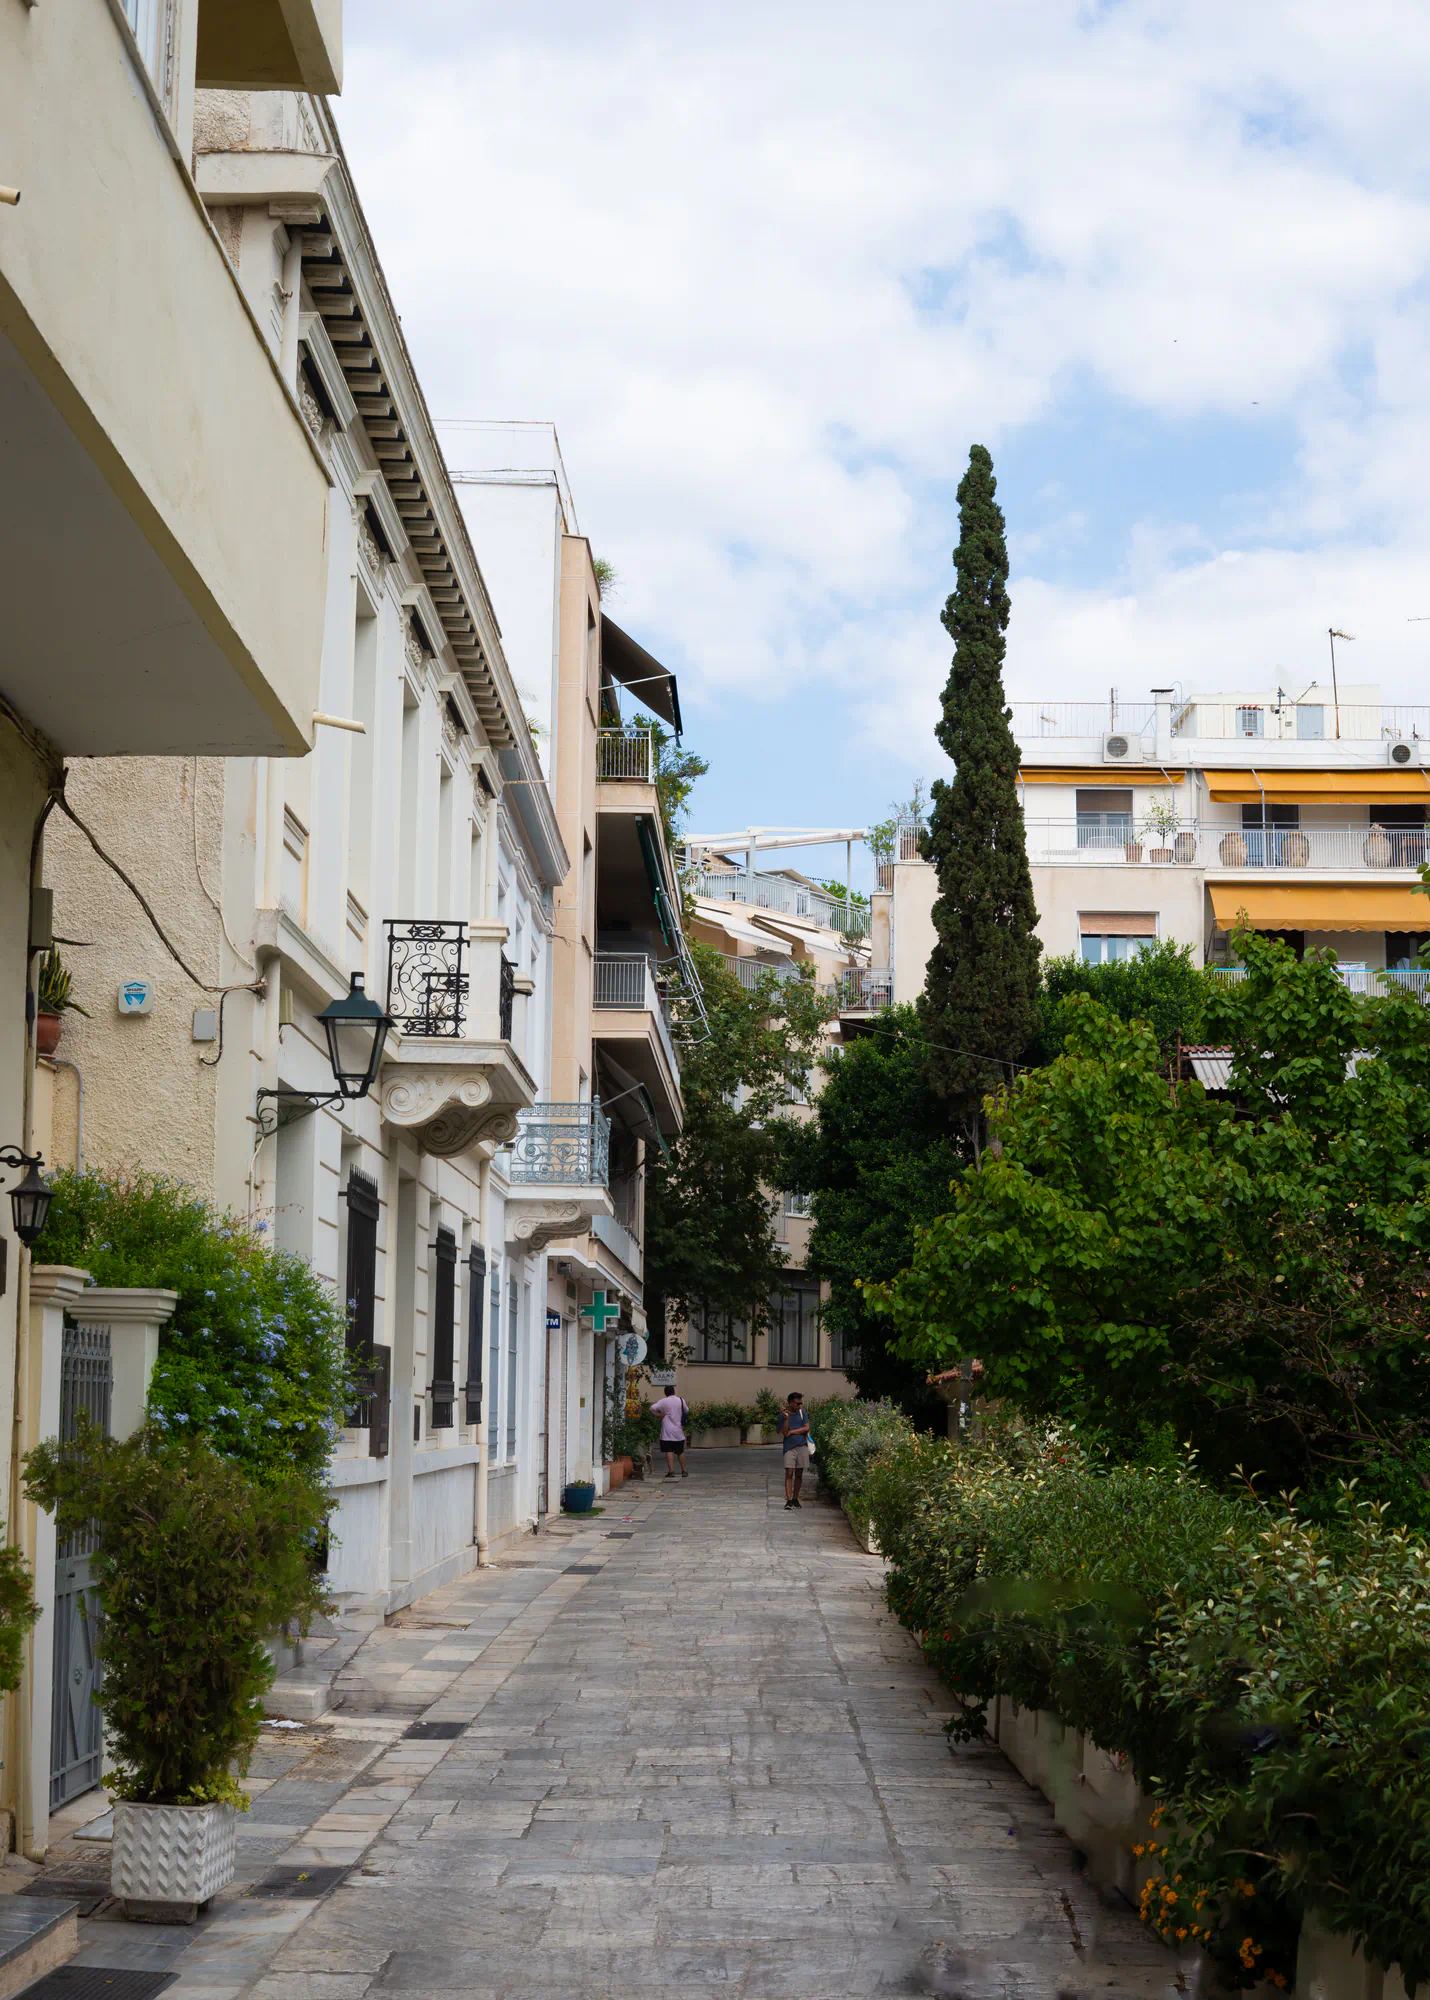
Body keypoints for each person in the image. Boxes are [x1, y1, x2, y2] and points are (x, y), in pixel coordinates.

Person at [777, 1392, 811, 1509]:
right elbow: (784, 1432)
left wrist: (793, 1431)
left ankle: (796, 1498)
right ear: (791, 1403)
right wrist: (786, 1419)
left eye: (801, 1403)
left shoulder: (802, 1413)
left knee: (799, 1474)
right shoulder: (783, 1416)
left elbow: (807, 1428)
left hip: (802, 1446)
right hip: (789, 1447)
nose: (800, 1405)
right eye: (797, 1403)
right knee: (789, 1472)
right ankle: (789, 1499)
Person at [650, 1389, 690, 1478]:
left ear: (665, 1393)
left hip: (667, 1432)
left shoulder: (663, 1401)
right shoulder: (680, 1400)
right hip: (678, 1431)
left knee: (669, 1451)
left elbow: (651, 1408)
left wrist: (659, 1415)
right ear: (674, 1392)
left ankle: (671, 1471)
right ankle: (684, 1471)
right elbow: (687, 1410)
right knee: (680, 1452)